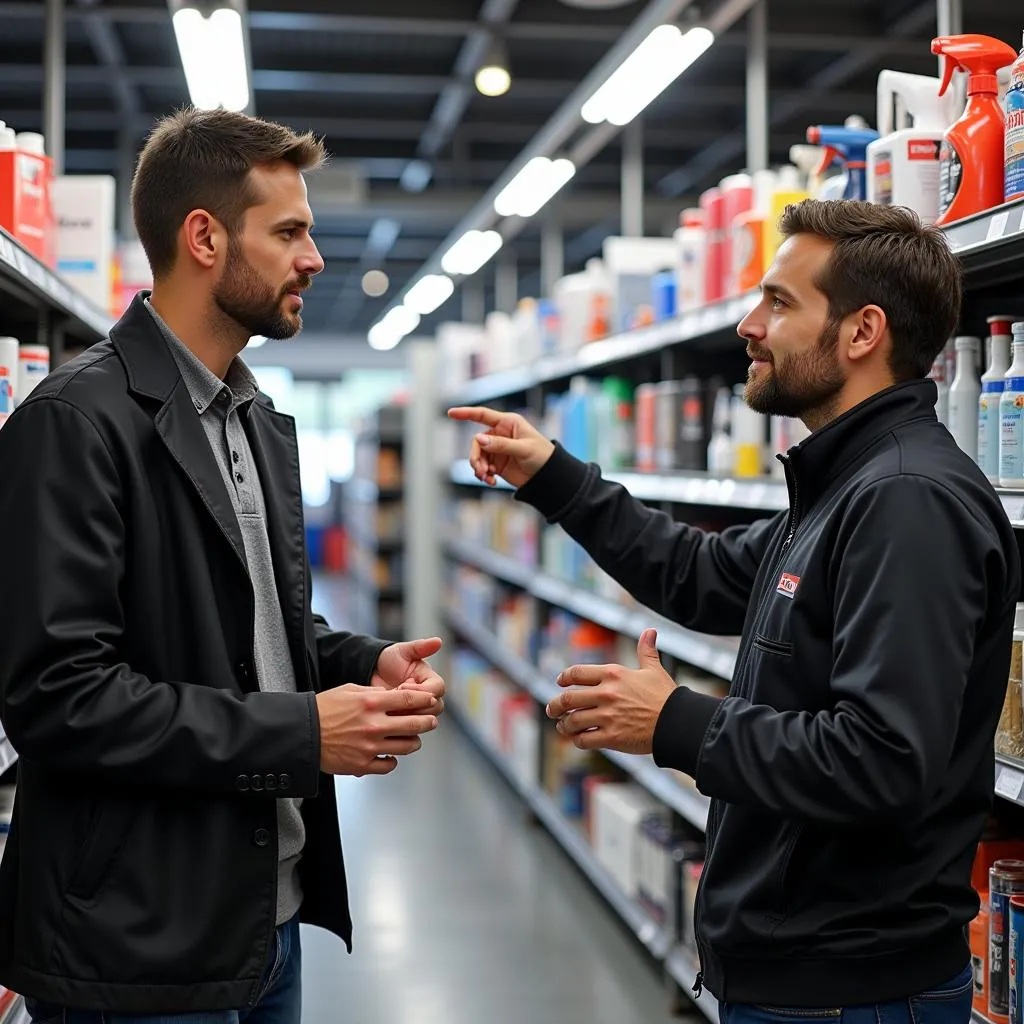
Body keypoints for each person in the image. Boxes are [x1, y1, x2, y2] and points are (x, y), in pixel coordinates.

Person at [450, 199, 1020, 1022]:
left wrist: (676, 721)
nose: (749, 325)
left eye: (780, 302)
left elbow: (882, 759)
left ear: (862, 333)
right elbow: (698, 574)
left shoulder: (905, 501)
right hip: (806, 978)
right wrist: (554, 475)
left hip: (852, 992)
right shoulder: (843, 487)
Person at [0, 108, 446, 1024]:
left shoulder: (253, 421)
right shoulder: (76, 423)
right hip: (139, 945)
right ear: (203, 237)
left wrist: (361, 664)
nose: (314, 258)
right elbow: (60, 698)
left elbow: (251, 631)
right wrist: (301, 735)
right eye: (289, 231)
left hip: (261, 918)